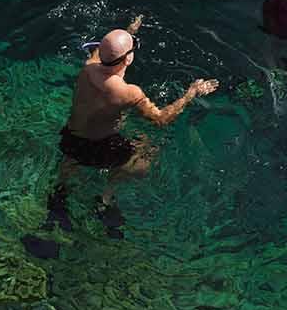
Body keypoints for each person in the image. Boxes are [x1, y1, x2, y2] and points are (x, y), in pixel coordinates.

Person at [28, 13, 218, 252]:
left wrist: (129, 31)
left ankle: (59, 195)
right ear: (128, 59)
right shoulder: (128, 93)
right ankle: (106, 198)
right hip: (102, 149)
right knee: (148, 150)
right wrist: (191, 93)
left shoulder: (89, 67)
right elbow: (161, 119)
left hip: (71, 140)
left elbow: (104, 51)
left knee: (72, 160)